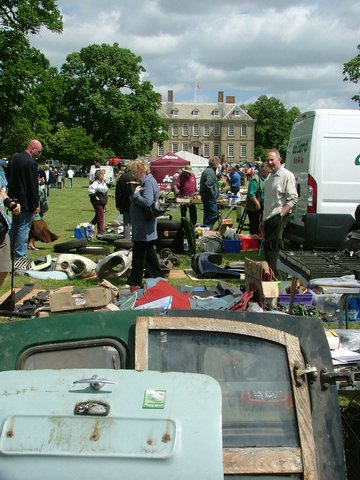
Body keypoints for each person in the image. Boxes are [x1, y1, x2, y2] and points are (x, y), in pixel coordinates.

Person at [127, 158, 163, 293]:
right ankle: (157, 276)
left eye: (134, 172)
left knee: (139, 254)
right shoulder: (150, 180)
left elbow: (147, 202)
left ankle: (134, 281)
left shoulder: (147, 182)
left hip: (144, 227)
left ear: (139, 170)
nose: (133, 175)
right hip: (146, 226)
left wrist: (135, 195)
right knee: (149, 255)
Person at [261, 148, 298, 279]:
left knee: (273, 249)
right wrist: (263, 220)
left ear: (279, 159)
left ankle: (278, 280)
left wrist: (282, 214)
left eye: (272, 159)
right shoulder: (270, 176)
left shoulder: (286, 175)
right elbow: (269, 201)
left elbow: (293, 198)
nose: (270, 162)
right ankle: (271, 277)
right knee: (268, 249)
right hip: (269, 218)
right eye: (268, 160)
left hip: (278, 217)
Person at [7, 139, 42, 259]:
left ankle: (9, 255)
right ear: (33, 148)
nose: (39, 154)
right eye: (39, 151)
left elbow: (9, 179)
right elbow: (33, 186)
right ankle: (20, 258)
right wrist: (36, 203)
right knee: (23, 229)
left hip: (14, 200)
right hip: (26, 201)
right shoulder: (31, 162)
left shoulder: (14, 159)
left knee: (14, 228)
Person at [28, 184, 59, 250]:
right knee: (40, 227)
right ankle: (50, 237)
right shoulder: (35, 185)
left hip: (32, 207)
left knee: (33, 228)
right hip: (33, 208)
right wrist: (38, 206)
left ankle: (30, 243)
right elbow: (37, 196)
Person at [245, 162, 270, 234]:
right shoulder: (255, 179)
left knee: (262, 226)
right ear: (264, 170)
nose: (269, 173)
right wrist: (257, 203)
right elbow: (251, 194)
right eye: (268, 172)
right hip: (254, 208)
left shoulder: (265, 179)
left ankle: (259, 240)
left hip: (263, 205)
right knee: (254, 226)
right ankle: (253, 242)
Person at [115, 161, 136, 239]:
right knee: (135, 222)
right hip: (137, 203)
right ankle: (136, 239)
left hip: (126, 203)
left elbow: (118, 192)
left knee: (126, 223)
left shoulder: (123, 177)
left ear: (127, 168)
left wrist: (118, 204)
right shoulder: (137, 176)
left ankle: (126, 240)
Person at [199, 156, 220, 228]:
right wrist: (213, 194)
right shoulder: (210, 172)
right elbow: (208, 184)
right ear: (215, 164)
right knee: (214, 213)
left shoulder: (208, 171)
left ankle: (206, 229)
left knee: (207, 213)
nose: (218, 165)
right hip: (209, 196)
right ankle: (205, 226)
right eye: (218, 163)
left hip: (206, 196)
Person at [88, 169, 108, 235]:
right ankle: (100, 231)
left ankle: (90, 226)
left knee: (98, 215)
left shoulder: (103, 183)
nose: (103, 175)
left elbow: (106, 191)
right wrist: (97, 198)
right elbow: (91, 192)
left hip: (103, 202)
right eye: (102, 174)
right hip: (97, 202)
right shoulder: (95, 183)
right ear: (98, 175)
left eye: (103, 174)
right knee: (100, 215)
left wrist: (105, 203)